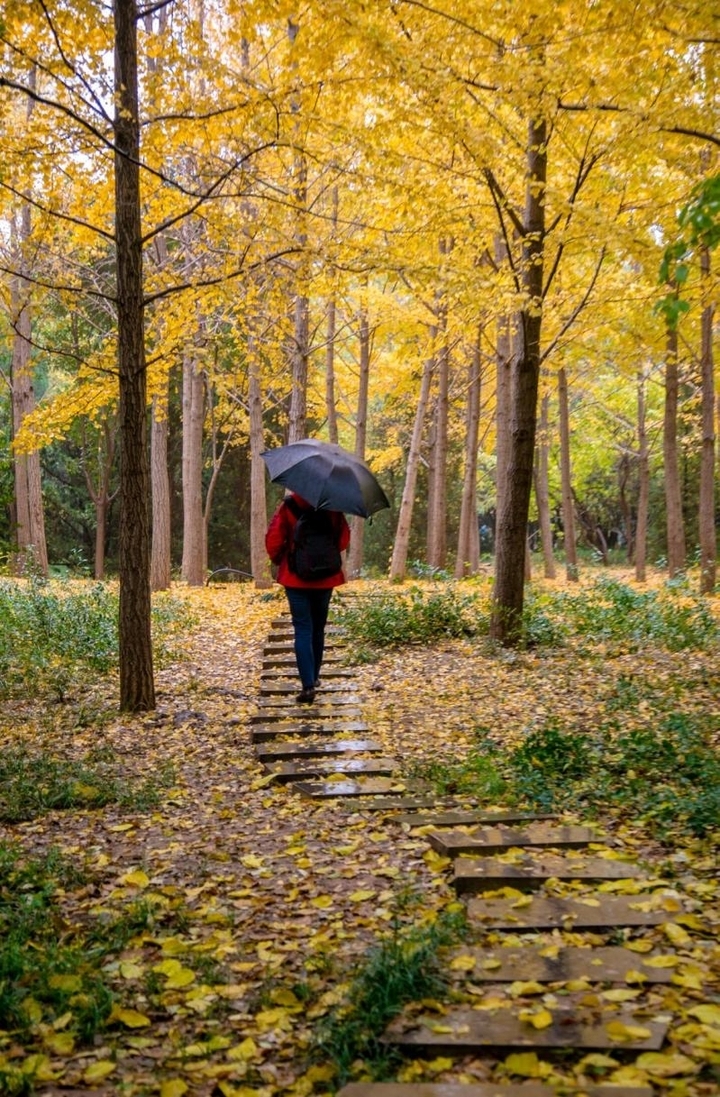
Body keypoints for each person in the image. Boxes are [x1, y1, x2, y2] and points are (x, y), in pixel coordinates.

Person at [265, 492, 350, 704]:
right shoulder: (333, 505)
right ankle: (315, 675)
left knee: (303, 628)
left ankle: (308, 685)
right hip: (326, 578)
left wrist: (283, 558)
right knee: (318, 627)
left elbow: (273, 540)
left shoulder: (289, 505)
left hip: (295, 577)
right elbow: (343, 540)